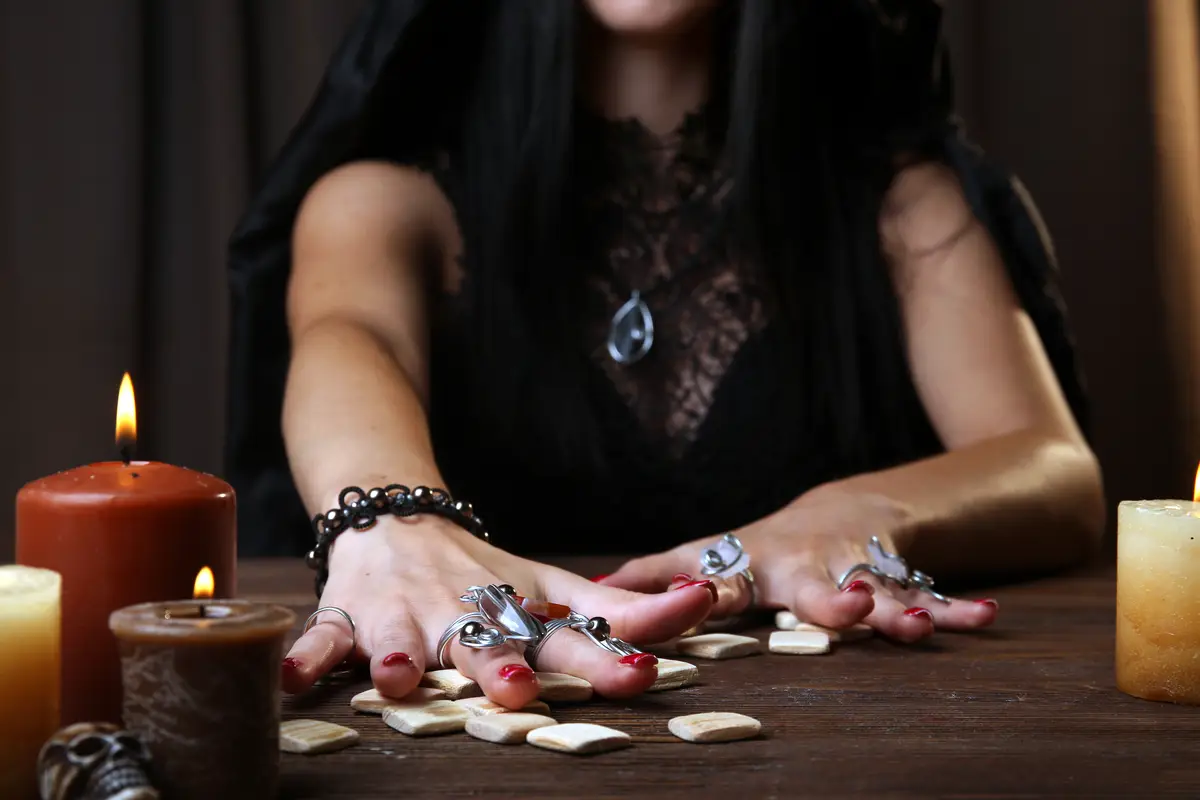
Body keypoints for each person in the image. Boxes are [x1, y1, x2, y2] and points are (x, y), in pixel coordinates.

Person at [226, 0, 1104, 709]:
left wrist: (851, 512)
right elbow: (351, 341)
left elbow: (1055, 469)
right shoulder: (382, 206)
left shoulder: (905, 209)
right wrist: (392, 532)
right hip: (497, 725)